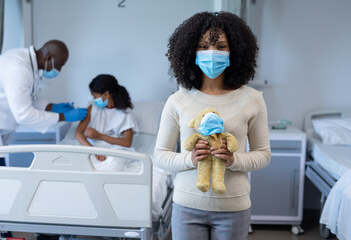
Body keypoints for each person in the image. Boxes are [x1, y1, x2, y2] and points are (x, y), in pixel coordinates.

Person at [154, 12, 271, 240]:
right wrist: (190, 159)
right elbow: (160, 155)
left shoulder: (253, 99)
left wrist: (233, 159)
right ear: (191, 51)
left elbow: (263, 155)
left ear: (234, 50)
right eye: (203, 46)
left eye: (220, 46)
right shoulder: (178, 100)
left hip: (233, 208)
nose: (212, 53)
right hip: (186, 207)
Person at [0, 40, 88, 167]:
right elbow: (23, 115)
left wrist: (52, 107)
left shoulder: (27, 64)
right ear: (48, 58)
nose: (59, 70)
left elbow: (27, 97)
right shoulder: (18, 69)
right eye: (58, 66)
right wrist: (63, 117)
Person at [75, 74, 137, 171]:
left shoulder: (125, 113)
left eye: (95, 96)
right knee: (82, 163)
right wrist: (94, 150)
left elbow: (127, 142)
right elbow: (78, 133)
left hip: (117, 149)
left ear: (106, 94)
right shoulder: (92, 107)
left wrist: (100, 136)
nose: (94, 100)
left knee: (112, 166)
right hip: (94, 147)